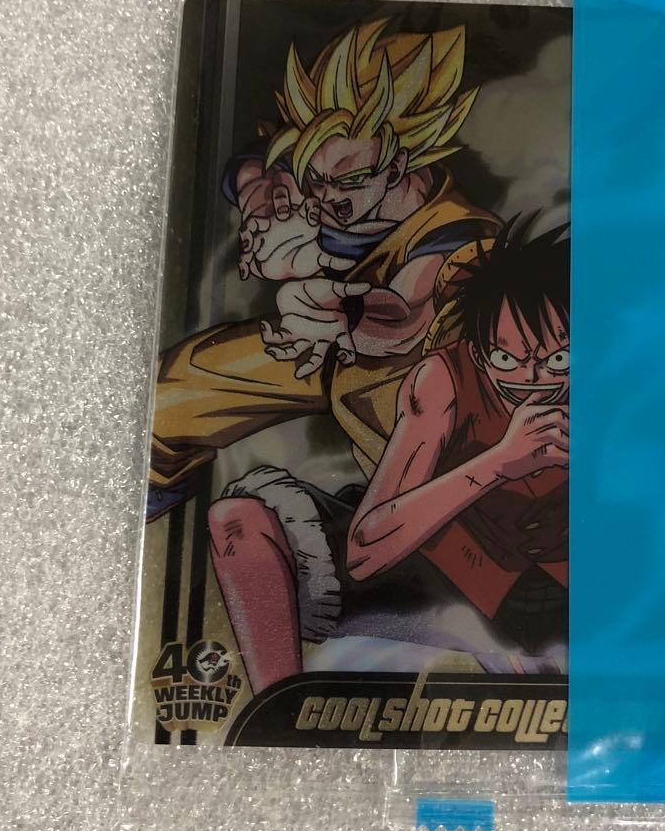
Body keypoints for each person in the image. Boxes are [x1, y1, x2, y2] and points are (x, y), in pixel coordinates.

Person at [148, 19, 498, 520]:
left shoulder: (459, 233)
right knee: (172, 396)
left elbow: (405, 313)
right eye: (316, 178)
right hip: (321, 353)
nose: (330, 197)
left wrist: (337, 313)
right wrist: (259, 192)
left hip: (408, 385)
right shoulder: (323, 164)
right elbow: (259, 164)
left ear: (397, 167)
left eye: (349, 181)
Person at [208, 217, 569, 692]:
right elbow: (366, 549)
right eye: (507, 358)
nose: (532, 377)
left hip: (538, 593)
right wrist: (499, 462)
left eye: (557, 359)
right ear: (480, 352)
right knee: (237, 520)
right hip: (433, 558)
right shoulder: (443, 381)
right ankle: (278, 708)